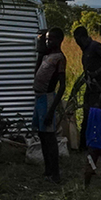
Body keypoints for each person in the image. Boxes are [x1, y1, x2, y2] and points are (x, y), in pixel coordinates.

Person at [73, 26, 101, 150]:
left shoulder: (95, 46)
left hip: (99, 90)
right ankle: (84, 145)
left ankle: (99, 144)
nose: (77, 44)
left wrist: (98, 72)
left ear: (83, 37)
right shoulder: (85, 50)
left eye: (78, 40)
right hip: (90, 89)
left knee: (97, 116)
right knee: (87, 115)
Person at [32, 27, 67, 183]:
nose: (48, 41)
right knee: (42, 134)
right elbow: (36, 73)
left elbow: (62, 86)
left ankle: (55, 173)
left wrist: (51, 110)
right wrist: (40, 49)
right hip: (39, 99)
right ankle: (48, 170)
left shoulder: (59, 58)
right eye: (46, 39)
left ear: (60, 40)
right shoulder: (47, 56)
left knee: (49, 137)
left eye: (51, 39)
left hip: (47, 99)